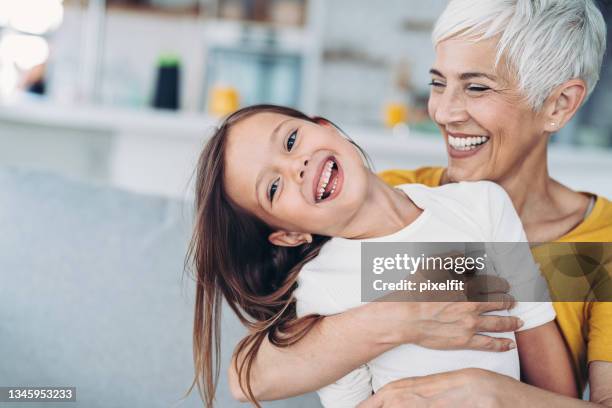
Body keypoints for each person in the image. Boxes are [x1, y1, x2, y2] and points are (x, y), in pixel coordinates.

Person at [227, 0, 612, 406]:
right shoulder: (380, 201)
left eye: (477, 87)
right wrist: (401, 319)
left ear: (559, 104)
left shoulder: (603, 243)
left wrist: (487, 392)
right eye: (438, 82)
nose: (443, 112)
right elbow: (250, 377)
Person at [185, 104, 575, 407]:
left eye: (290, 141)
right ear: (289, 234)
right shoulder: (323, 288)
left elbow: (543, 355)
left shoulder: (480, 204)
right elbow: (250, 377)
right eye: (273, 188)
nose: (297, 166)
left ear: (327, 128)